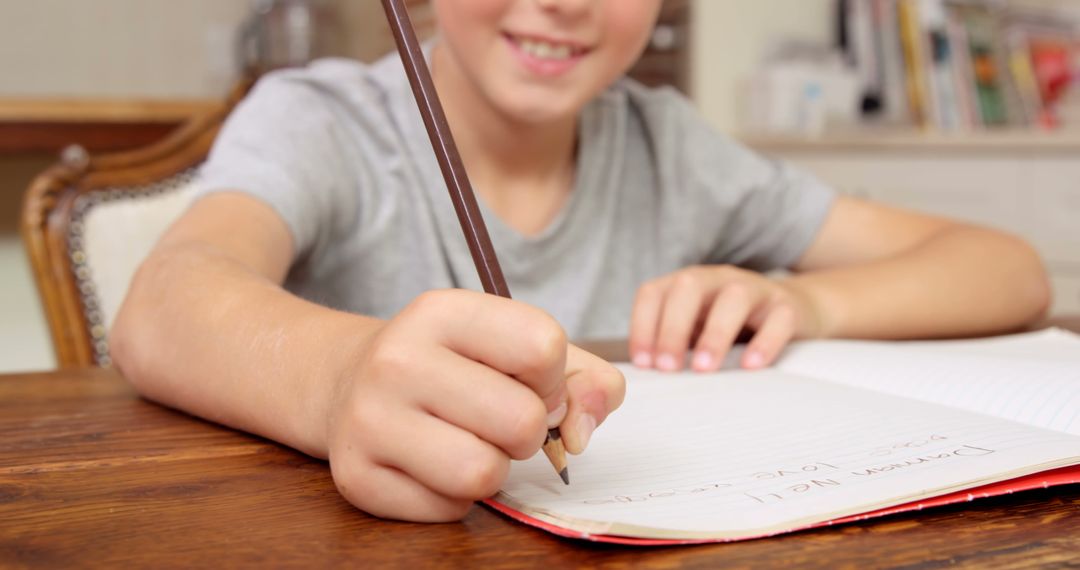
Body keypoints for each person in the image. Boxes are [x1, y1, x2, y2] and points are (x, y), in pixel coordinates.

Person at [110, 0, 1050, 523]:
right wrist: (339, 378)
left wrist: (801, 301)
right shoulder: (325, 118)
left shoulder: (669, 145)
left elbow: (1006, 268)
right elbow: (164, 305)